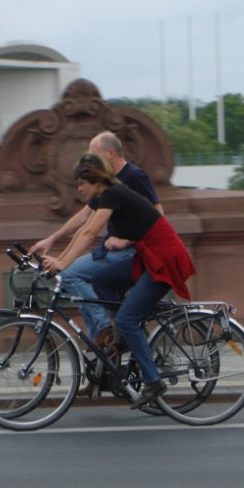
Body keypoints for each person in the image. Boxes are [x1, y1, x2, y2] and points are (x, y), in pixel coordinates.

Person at [42, 153, 196, 409]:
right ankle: (123, 336)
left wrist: (62, 263)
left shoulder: (114, 194)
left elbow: (91, 232)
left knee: (127, 318)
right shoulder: (106, 196)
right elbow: (83, 230)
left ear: (95, 180)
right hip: (150, 257)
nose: (79, 189)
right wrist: (60, 259)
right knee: (102, 279)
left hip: (165, 259)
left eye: (82, 183)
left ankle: (153, 380)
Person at [29, 131, 162, 341]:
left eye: (94, 154)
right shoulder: (105, 182)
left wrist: (126, 240)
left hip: (129, 254)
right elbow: (84, 218)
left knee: (70, 275)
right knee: (85, 297)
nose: (89, 160)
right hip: (107, 251)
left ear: (109, 154)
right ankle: (101, 355)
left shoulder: (134, 176)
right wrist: (52, 240)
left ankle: (104, 330)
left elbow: (158, 216)